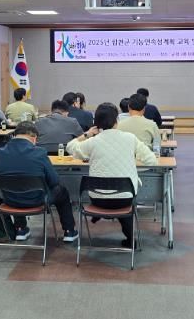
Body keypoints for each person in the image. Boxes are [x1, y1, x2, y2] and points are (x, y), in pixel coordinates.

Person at [66, 103, 157, 248]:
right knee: (124, 201)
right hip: (125, 197)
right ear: (116, 120)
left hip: (97, 198)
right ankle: (130, 240)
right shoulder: (130, 138)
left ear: (97, 123)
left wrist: (87, 134)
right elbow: (151, 161)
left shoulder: (93, 141)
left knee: (109, 195)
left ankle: (98, 215)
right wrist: (132, 167)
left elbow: (70, 147)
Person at [0, 121, 78, 242]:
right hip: (37, 200)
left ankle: (20, 229)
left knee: (16, 187)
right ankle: (69, 232)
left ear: (15, 135)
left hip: (9, 199)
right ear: (34, 137)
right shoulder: (39, 153)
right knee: (62, 191)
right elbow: (54, 181)